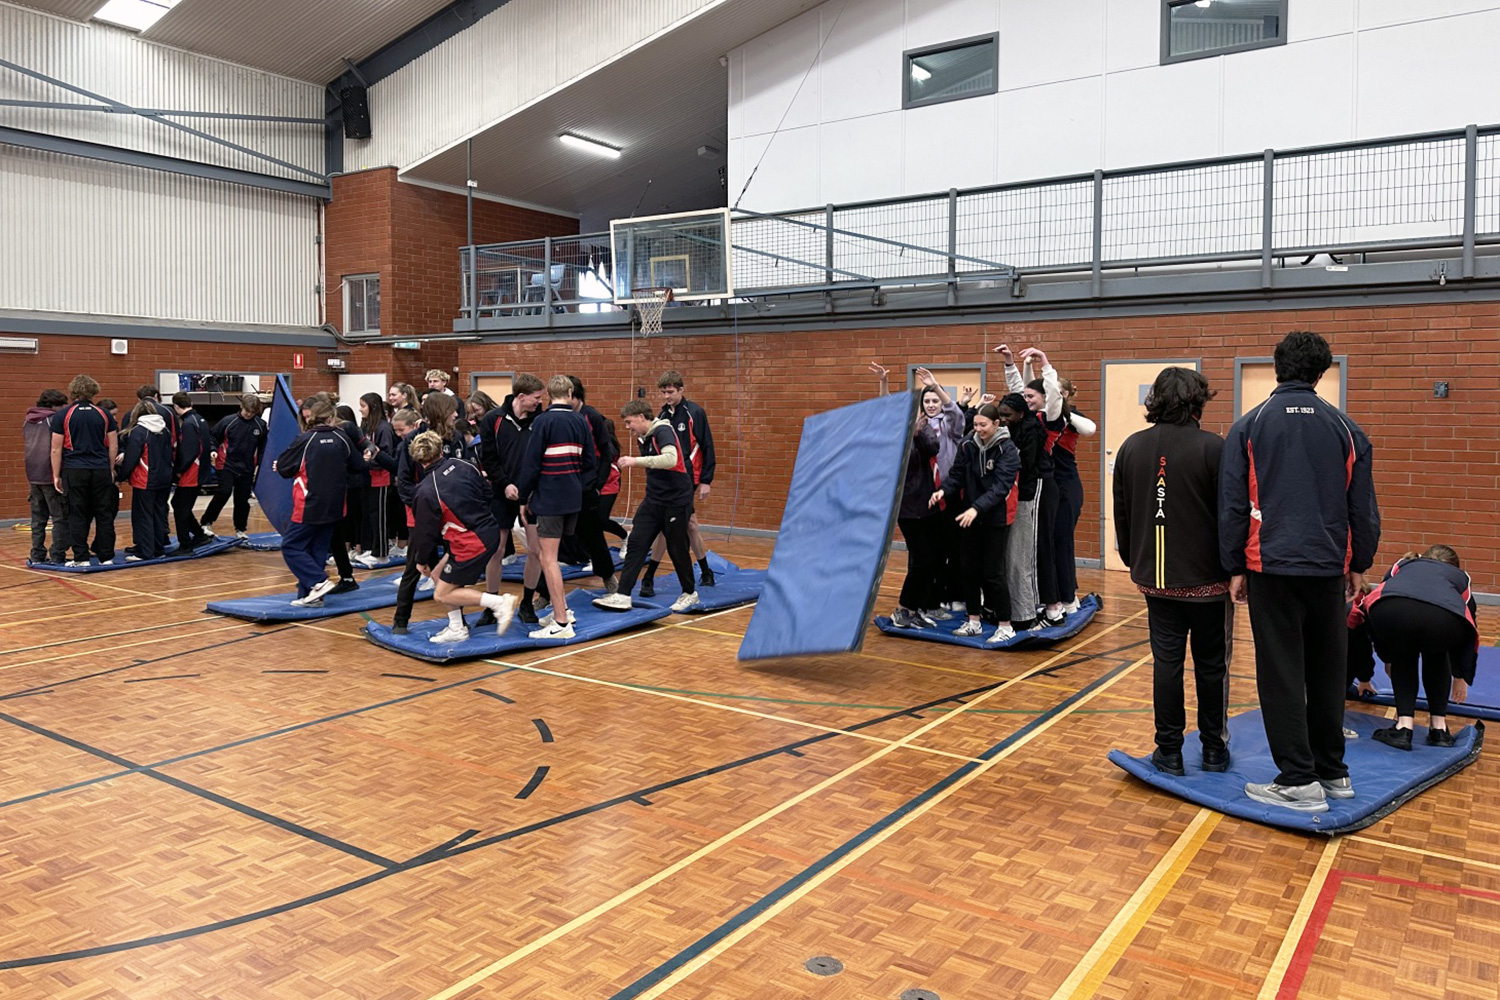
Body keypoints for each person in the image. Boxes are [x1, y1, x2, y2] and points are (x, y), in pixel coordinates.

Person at [1221, 330, 1380, 813]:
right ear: (1321, 372)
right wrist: (1359, 563)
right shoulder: (1347, 429)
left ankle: (1298, 781)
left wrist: (1233, 565)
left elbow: (1232, 504)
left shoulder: (1248, 427)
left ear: (1278, 368)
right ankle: (1332, 772)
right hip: (1328, 567)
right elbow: (1363, 508)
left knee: (1282, 671)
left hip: (1270, 566)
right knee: (1328, 669)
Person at [1114, 367, 1232, 777]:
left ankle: (1169, 751)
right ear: (1197, 401)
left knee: (1167, 664)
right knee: (1211, 666)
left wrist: (1135, 560)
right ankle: (1214, 749)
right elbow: (1229, 513)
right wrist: (1235, 568)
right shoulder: (1213, 447)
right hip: (1208, 580)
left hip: (1157, 579)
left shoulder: (1131, 446)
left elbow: (1122, 512)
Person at [1349, 545, 1478, 750]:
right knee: (1437, 653)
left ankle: (1403, 728)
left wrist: (1388, 657)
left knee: (1403, 652)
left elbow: (1378, 599)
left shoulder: (1402, 564)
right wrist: (1460, 675)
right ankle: (1439, 729)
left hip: (1390, 612)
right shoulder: (1461, 577)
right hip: (1440, 620)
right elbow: (1468, 627)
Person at [407, 430, 517, 643]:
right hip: (484, 531)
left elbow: (425, 532)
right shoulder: (465, 464)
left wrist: (421, 560)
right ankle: (457, 627)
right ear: (441, 450)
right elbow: (487, 494)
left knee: (441, 593)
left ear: (418, 461)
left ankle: (498, 603)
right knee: (438, 575)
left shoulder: (426, 490)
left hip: (471, 541)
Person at [593, 399, 701, 614]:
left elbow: (671, 459)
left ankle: (690, 593)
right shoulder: (644, 437)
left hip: (675, 500)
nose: (627, 427)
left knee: (677, 548)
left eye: (629, 422)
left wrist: (636, 461)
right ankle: (623, 595)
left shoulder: (663, 431)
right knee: (636, 542)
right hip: (654, 499)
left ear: (641, 417)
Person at [928, 403, 1020, 642]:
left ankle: (1005, 625)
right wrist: (943, 491)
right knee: (968, 569)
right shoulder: (968, 444)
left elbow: (1000, 488)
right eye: (976, 425)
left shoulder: (1007, 449)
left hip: (995, 517)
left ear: (996, 424)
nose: (978, 429)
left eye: (983, 425)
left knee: (993, 573)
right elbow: (957, 474)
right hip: (970, 516)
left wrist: (976, 508)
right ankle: (973, 621)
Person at [514, 375, 596, 639]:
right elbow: (590, 463)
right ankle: (564, 611)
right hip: (572, 498)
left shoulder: (542, 421)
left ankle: (561, 623)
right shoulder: (580, 420)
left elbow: (531, 463)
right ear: (570, 393)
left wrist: (523, 498)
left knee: (548, 559)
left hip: (549, 498)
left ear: (549, 394)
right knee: (550, 556)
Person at [275, 396, 366, 607]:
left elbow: (283, 468)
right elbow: (359, 466)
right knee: (317, 548)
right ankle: (311, 596)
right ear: (332, 417)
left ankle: (318, 581)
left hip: (309, 503)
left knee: (291, 546)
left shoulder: (305, 439)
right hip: (335, 504)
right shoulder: (342, 437)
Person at [1001, 345, 1066, 624]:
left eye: (1031, 397)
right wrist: (1009, 363)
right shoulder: (1030, 416)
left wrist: (1045, 362)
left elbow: (1052, 394)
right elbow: (1019, 392)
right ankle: (1043, 603)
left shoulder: (1050, 418)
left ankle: (1053, 607)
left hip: (1042, 484)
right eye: (1025, 397)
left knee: (1040, 548)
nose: (1026, 399)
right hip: (1034, 484)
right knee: (1033, 549)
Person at [391, 394, 466, 634]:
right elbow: (403, 480)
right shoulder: (414, 439)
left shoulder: (456, 438)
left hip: (451, 513)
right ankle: (400, 620)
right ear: (440, 412)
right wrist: (420, 505)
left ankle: (458, 621)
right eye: (452, 410)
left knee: (452, 567)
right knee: (414, 566)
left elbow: (462, 473)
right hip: (421, 513)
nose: (456, 414)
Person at [476, 373, 547, 625]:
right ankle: (492, 606)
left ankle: (527, 604)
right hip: (501, 492)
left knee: (535, 550)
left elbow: (543, 457)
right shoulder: (492, 420)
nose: (539, 402)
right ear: (521, 396)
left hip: (533, 494)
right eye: (536, 398)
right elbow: (489, 458)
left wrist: (529, 487)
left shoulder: (541, 420)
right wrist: (505, 484)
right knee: (496, 549)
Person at [648, 370, 717, 594]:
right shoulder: (662, 416)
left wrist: (706, 480)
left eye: (670, 392)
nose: (666, 396)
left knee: (677, 525)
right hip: (669, 479)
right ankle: (705, 571)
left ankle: (650, 575)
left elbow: (707, 446)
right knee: (686, 525)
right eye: (663, 392)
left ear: (681, 390)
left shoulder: (694, 413)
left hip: (689, 478)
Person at [911, 367, 967, 616]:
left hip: (949, 493)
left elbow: (956, 413)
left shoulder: (949, 424)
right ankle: (930, 596)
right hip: (925, 495)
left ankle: (954, 593)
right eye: (927, 401)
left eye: (935, 400)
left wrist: (934, 385)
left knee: (953, 547)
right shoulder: (917, 426)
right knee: (930, 550)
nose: (932, 405)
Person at [887, 390, 942, 630]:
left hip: (928, 505)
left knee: (930, 562)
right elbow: (902, 461)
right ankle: (903, 609)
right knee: (921, 561)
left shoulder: (924, 426)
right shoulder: (896, 433)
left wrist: (919, 432)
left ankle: (913, 609)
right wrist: (911, 434)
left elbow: (933, 447)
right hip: (908, 509)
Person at [51, 375, 119, 566]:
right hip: (100, 469)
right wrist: (110, 469)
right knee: (104, 513)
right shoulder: (104, 414)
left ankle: (81, 557)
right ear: (94, 391)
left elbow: (56, 448)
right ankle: (106, 557)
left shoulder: (63, 415)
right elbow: (113, 445)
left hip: (75, 469)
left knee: (77, 513)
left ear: (73, 391)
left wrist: (56, 475)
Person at [995, 392, 1047, 631]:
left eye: (1007, 415)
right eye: (1001, 415)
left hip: (1025, 496)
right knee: (1004, 557)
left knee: (1020, 557)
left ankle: (1025, 612)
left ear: (1020, 414)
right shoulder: (1007, 429)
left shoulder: (1031, 431)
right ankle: (1004, 608)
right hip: (1006, 497)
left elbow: (1026, 465)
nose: (1003, 419)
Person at [566, 375, 620, 593]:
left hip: (588, 486)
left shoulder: (592, 416)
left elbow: (607, 452)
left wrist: (597, 484)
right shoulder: (561, 416)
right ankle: (545, 590)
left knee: (594, 532)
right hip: (565, 484)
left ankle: (607, 575)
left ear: (575, 396)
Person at [1051, 376, 1096, 614]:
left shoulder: (1072, 417)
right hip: (1048, 486)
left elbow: (1090, 429)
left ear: (1066, 394)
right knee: (1049, 543)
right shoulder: (1044, 416)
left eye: (1056, 391)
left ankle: (1068, 597)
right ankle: (1058, 595)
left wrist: (1063, 410)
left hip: (1066, 487)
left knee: (1062, 541)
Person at [202, 393, 266, 540]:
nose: (249, 414)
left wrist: (260, 464)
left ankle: (240, 529)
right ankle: (206, 522)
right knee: (224, 492)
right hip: (227, 464)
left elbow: (263, 447)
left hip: (247, 466)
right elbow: (213, 436)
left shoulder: (260, 425)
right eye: (247, 411)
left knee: (242, 499)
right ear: (241, 407)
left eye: (252, 412)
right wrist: (213, 450)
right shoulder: (228, 421)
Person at [116, 399, 173, 561]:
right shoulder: (165, 430)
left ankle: (145, 552)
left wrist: (122, 476)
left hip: (145, 478)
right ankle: (158, 549)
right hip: (165, 478)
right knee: (158, 514)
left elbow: (132, 458)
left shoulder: (139, 431)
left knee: (144, 516)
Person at [24, 388, 69, 565]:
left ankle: (37, 554)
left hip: (33, 473)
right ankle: (57, 554)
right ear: (54, 405)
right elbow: (57, 447)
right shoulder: (53, 420)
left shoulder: (28, 420)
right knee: (59, 518)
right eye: (62, 406)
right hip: (50, 473)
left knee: (38, 519)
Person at [171, 391, 214, 553]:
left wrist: (178, 470)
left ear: (176, 406)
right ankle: (199, 534)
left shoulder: (189, 423)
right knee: (178, 504)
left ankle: (185, 544)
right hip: (199, 470)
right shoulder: (199, 419)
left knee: (181, 508)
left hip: (191, 472)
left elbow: (189, 451)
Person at [357, 392, 396, 566]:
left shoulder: (383, 428)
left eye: (363, 406)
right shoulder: (368, 427)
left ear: (372, 407)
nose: (360, 409)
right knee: (369, 514)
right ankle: (371, 548)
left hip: (381, 478)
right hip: (368, 477)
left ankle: (381, 553)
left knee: (379, 516)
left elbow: (386, 454)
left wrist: (369, 461)